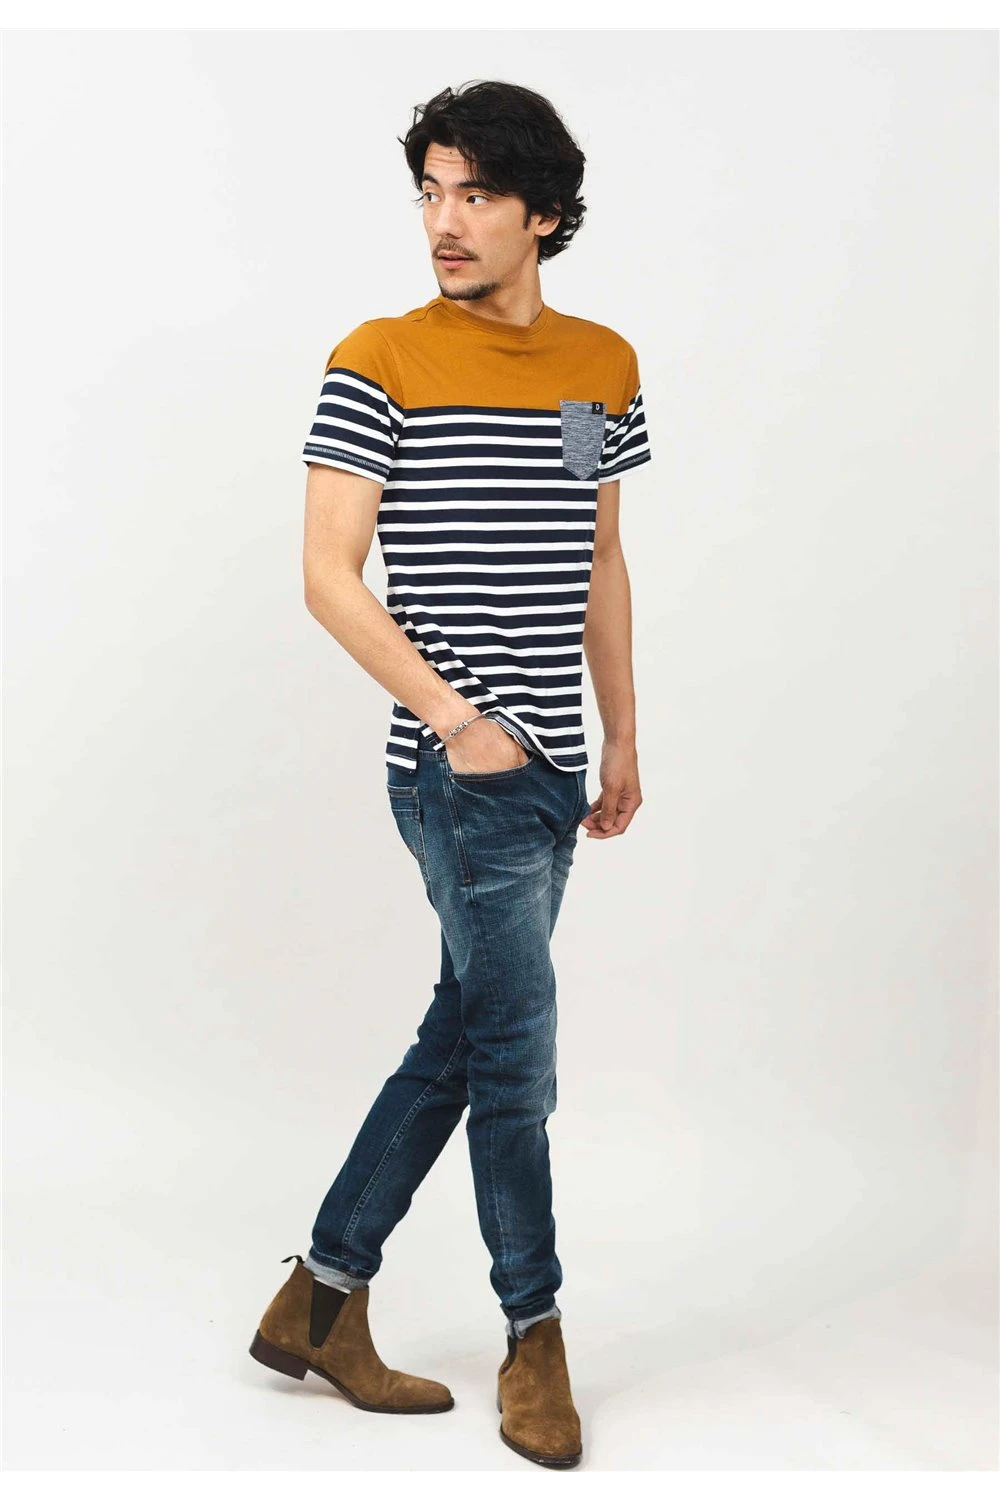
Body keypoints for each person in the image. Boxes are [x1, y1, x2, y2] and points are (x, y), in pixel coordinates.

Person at [249, 80, 651, 1470]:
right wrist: (455, 718)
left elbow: (597, 554)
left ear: (544, 213)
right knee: (516, 1063)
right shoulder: (382, 357)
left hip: (552, 771)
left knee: (465, 1037)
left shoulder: (601, 366)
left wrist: (622, 735)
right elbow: (327, 575)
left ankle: (319, 1301)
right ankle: (534, 1334)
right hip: (457, 770)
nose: (445, 220)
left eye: (476, 192)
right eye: (430, 191)